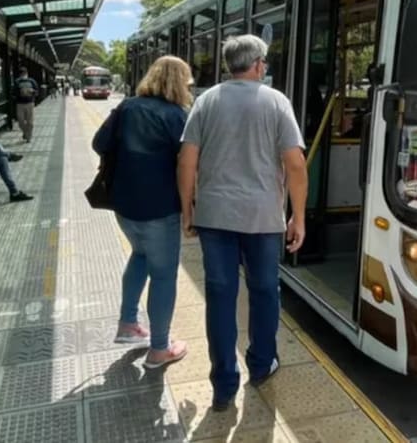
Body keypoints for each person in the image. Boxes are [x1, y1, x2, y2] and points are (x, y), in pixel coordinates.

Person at [177, 35, 308, 410]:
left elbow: (186, 161)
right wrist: (298, 216)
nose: (265, 68)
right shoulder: (276, 101)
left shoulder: (206, 101)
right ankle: (262, 363)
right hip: (264, 218)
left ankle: (223, 385)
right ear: (257, 64)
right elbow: (295, 164)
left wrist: (188, 211)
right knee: (265, 291)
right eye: (264, 62)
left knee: (219, 297)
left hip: (214, 217)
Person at [92, 56, 194, 368]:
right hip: (159, 209)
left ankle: (128, 324)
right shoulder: (177, 115)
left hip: (124, 205)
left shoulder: (126, 107)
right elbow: (188, 163)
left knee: (139, 256)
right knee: (164, 276)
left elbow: (99, 143)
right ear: (179, 82)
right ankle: (160, 349)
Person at [14, 68, 39, 143]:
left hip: (30, 103)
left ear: (27, 73)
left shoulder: (32, 81)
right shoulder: (17, 82)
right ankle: (25, 132)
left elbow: (37, 91)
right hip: (20, 104)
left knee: (30, 122)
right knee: (21, 121)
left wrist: (32, 91)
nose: (23, 75)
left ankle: (29, 137)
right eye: (22, 73)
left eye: (24, 73)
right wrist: (20, 93)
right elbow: (13, 92)